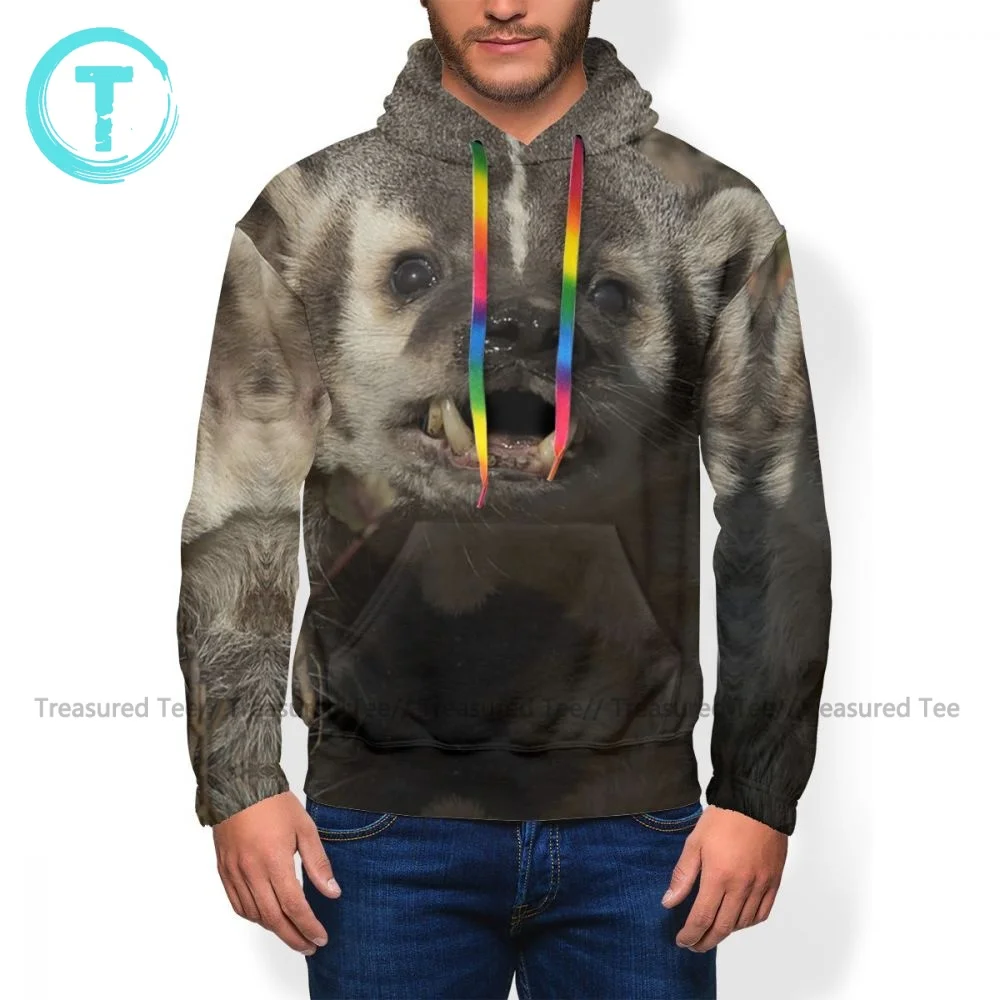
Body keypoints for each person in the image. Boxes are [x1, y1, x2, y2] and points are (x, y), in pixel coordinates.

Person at [175, 1, 833, 996]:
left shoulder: (710, 209)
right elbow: (242, 504)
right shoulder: (307, 208)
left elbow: (769, 511)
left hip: (639, 825)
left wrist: (757, 790)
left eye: (614, 297)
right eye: (409, 277)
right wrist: (237, 776)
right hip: (380, 822)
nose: (505, 3)